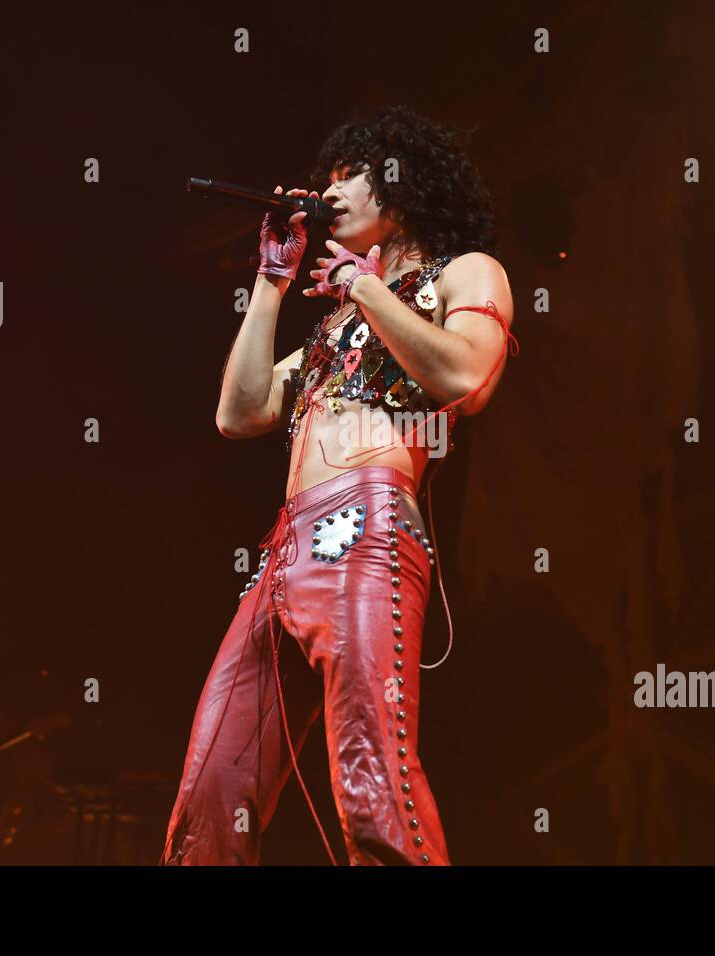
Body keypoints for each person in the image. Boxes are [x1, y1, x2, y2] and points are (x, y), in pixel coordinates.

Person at [161, 105, 518, 865]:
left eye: (349, 174)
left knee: (369, 777)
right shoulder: (330, 326)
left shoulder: (464, 273)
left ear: (403, 183)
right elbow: (239, 412)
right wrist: (271, 282)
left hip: (368, 526)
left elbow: (467, 375)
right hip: (284, 548)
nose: (331, 192)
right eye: (327, 178)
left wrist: (367, 289)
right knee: (215, 781)